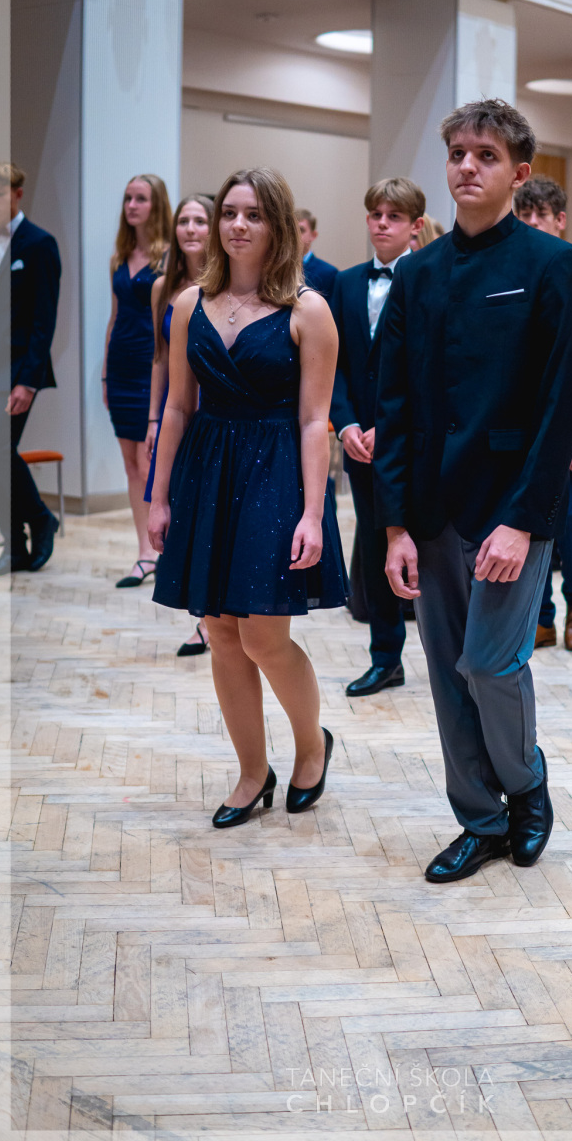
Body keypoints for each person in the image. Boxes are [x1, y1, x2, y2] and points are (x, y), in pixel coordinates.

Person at [375, 98, 572, 884]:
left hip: (512, 508)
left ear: (520, 173)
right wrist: (395, 526)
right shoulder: (417, 274)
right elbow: (393, 406)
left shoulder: (553, 267)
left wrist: (523, 522)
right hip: (432, 511)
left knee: (491, 665)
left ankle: (526, 786)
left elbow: (560, 408)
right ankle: (480, 818)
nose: (468, 166)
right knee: (445, 673)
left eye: (486, 155)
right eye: (458, 153)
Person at [149, 167, 347, 828]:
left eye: (254, 214)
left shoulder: (308, 310)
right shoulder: (188, 304)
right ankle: (251, 772)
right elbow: (178, 407)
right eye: (230, 212)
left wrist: (314, 513)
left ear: (278, 226)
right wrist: (159, 497)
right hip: (208, 470)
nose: (238, 225)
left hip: (276, 471)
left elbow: (315, 420)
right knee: (222, 633)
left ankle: (312, 744)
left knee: (263, 634)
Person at [330, 178, 425, 697]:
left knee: (430, 550)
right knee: (374, 548)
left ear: (415, 226)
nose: (382, 224)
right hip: (360, 446)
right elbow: (335, 365)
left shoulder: (431, 278)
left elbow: (431, 370)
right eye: (375, 214)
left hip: (415, 442)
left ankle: (453, 659)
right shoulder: (345, 283)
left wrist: (388, 427)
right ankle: (386, 658)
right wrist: (345, 424)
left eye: (394, 216)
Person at [513, 176, 572, 651]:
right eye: (525, 214)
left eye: (541, 215)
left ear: (560, 220)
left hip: (567, 420)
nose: (532, 223)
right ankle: (542, 616)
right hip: (520, 422)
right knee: (530, 517)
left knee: (568, 517)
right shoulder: (509, 267)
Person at [144, 193, 214, 657]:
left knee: (211, 507)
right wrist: (153, 417)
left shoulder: (225, 285)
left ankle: (210, 620)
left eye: (200, 220)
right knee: (180, 509)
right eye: (183, 221)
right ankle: (202, 613)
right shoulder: (162, 288)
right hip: (177, 405)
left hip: (217, 406)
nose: (190, 229)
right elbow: (161, 359)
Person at [103, 174, 172, 587]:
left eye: (140, 199)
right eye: (128, 198)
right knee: (131, 465)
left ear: (156, 204)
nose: (131, 205)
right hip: (121, 367)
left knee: (150, 465)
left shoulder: (168, 259)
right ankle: (144, 554)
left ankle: (164, 550)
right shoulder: (119, 256)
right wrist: (105, 373)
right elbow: (114, 317)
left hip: (153, 365)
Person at [0, 162, 61, 576]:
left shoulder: (39, 243)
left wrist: (28, 382)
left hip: (19, 369)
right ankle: (15, 544)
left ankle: (38, 518)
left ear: (18, 195)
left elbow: (43, 320)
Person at [295, 208, 338, 301]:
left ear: (313, 235)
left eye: (301, 230)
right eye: (291, 230)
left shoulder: (329, 273)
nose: (295, 235)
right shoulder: (276, 269)